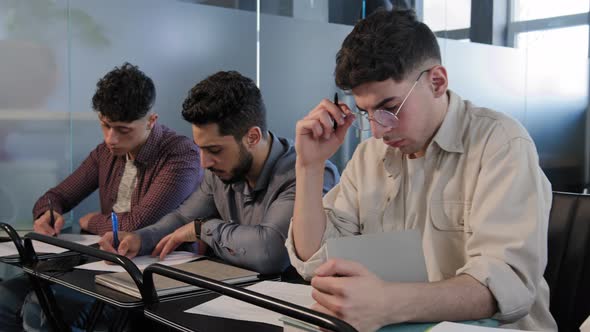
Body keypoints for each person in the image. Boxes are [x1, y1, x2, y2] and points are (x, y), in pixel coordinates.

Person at [286, 9, 556, 332]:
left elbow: (504, 284)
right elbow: (315, 260)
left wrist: (386, 303)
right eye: (365, 113)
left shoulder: (501, 143)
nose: (377, 130)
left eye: (388, 109)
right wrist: (309, 167)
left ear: (437, 82)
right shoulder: (369, 155)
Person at [0, 62, 202, 331]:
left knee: (41, 307)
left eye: (123, 130)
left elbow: (136, 223)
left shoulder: (180, 155)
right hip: (102, 259)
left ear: (151, 121)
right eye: (105, 125)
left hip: (151, 272)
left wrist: (91, 221)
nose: (111, 138)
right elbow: (55, 196)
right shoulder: (106, 153)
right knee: (5, 297)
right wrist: (48, 214)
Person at [100, 70, 339, 275]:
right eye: (201, 148)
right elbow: (182, 218)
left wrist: (203, 229)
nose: (204, 162)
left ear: (252, 137)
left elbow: (271, 251)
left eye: (214, 149)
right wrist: (139, 239)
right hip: (230, 297)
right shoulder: (221, 171)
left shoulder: (309, 173)